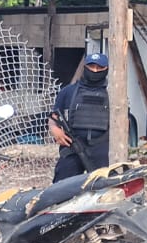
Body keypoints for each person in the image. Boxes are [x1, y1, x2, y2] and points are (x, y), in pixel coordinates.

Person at [47, 52, 113, 181]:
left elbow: (124, 121)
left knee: (105, 186)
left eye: (99, 68)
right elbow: (54, 117)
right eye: (91, 66)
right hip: (73, 144)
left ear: (106, 69)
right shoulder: (68, 91)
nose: (95, 70)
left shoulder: (112, 93)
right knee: (62, 185)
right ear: (85, 67)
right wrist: (55, 130)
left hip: (102, 147)